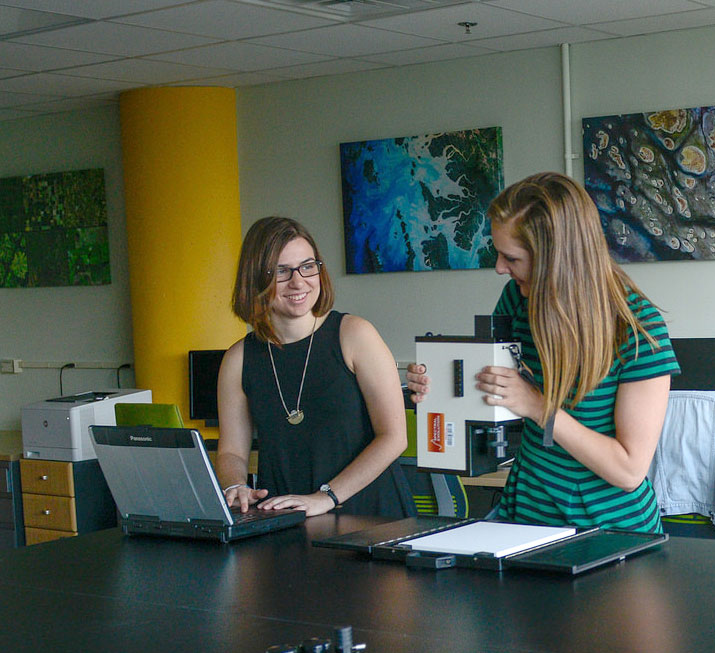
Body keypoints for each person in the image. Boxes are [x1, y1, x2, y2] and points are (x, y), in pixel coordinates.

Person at [408, 171, 677, 532]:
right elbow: (496, 398)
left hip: (612, 532)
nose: (499, 268)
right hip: (526, 521)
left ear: (556, 259)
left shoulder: (636, 328)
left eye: (512, 258)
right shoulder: (517, 301)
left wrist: (538, 406)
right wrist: (438, 387)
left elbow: (628, 470)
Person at [215, 216, 414, 518]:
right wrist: (235, 486)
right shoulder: (238, 359)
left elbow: (394, 437)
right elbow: (231, 452)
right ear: (255, 278)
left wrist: (326, 497)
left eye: (308, 266)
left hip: (370, 515)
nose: (298, 281)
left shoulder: (354, 334)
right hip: (285, 516)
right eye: (281, 271)